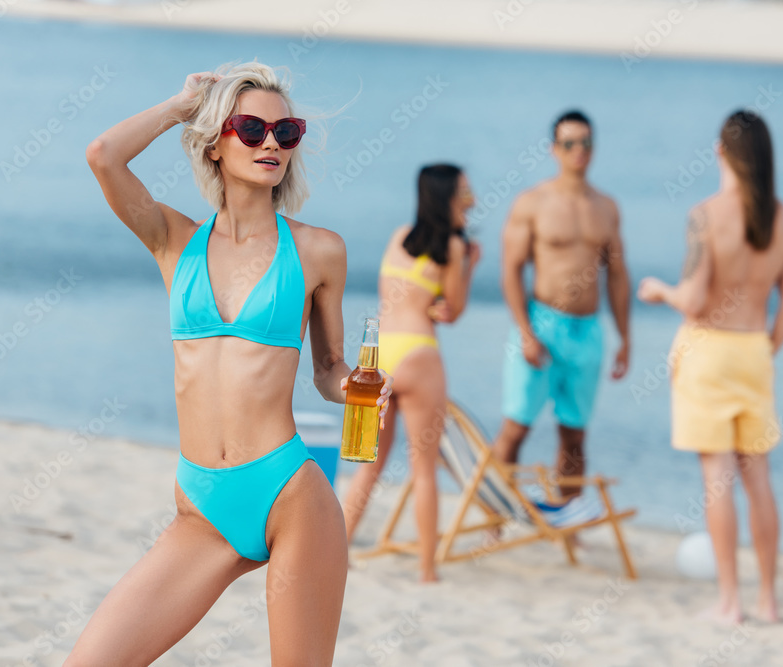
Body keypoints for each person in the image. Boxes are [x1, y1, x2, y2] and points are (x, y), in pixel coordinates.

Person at [68, 63, 390, 665]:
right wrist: (182, 104)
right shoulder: (173, 240)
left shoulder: (319, 250)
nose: (270, 142)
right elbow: (103, 156)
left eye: (285, 132)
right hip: (203, 507)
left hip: (290, 496)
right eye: (250, 127)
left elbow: (327, 372)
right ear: (215, 142)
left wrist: (358, 388)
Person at [638, 110, 783, 624]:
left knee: (717, 481)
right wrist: (768, 346)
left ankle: (730, 602)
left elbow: (692, 298)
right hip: (753, 347)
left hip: (708, 350)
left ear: (720, 152)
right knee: (760, 480)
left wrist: (659, 289)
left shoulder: (706, 214)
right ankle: (768, 601)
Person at [341, 164, 480, 582]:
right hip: (419, 353)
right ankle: (426, 569)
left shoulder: (398, 235)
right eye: (466, 191)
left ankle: (338, 547)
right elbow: (452, 311)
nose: (472, 198)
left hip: (379, 357)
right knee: (423, 469)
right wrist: (470, 265)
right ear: (448, 197)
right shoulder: (455, 248)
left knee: (367, 464)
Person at [492, 110, 631, 499]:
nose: (579, 151)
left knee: (574, 434)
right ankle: (494, 517)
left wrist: (626, 338)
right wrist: (525, 332)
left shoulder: (606, 207)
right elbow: (510, 271)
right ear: (554, 149)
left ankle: (567, 516)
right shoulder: (532, 202)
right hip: (541, 323)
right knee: (516, 427)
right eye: (569, 143)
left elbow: (618, 277)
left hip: (587, 330)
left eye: (586, 143)